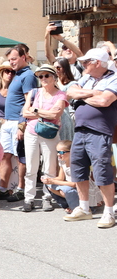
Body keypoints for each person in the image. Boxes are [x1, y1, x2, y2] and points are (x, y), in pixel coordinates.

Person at [63, 48, 117, 228]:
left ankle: (109, 213)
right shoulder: (86, 78)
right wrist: (93, 93)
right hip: (80, 130)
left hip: (99, 131)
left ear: (98, 63)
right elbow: (70, 91)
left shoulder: (114, 78)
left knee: (102, 171)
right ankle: (84, 207)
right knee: (78, 167)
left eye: (87, 61)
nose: (83, 64)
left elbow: (105, 101)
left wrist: (82, 96)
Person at [21, 64, 67, 212]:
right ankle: (29, 198)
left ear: (54, 77)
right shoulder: (34, 92)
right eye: (40, 76)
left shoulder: (60, 94)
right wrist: (44, 112)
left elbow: (55, 115)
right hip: (31, 132)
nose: (43, 78)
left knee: (50, 167)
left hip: (50, 133)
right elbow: (24, 113)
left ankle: (48, 196)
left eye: (46, 75)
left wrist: (35, 110)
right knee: (31, 166)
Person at [0, 46, 38, 201]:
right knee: (6, 155)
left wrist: (22, 124)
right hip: (8, 122)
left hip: (18, 122)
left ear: (24, 57)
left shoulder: (28, 75)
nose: (11, 62)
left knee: (20, 157)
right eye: (9, 60)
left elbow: (30, 100)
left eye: (14, 59)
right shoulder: (17, 74)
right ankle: (3, 187)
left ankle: (21, 188)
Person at [42, 140, 80, 213]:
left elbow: (75, 184)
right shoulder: (62, 162)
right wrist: (49, 180)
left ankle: (77, 207)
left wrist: (54, 181)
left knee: (67, 190)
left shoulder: (75, 165)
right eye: (57, 152)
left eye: (62, 152)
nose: (58, 155)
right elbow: (61, 178)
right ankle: (67, 205)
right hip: (70, 186)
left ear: (71, 152)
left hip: (79, 189)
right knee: (49, 185)